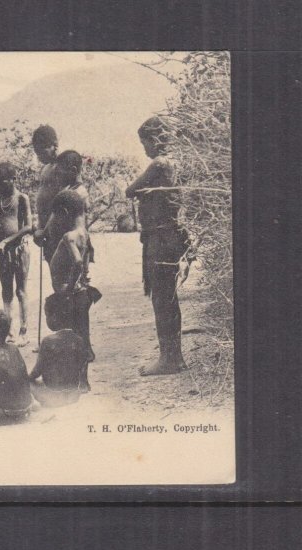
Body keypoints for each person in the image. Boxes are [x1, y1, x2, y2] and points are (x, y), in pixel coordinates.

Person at [126, 116, 190, 376]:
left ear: (155, 140)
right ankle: (173, 356)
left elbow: (130, 190)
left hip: (162, 238)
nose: (145, 149)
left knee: (162, 297)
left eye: (145, 144)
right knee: (167, 297)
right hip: (170, 236)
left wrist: (141, 192)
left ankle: (169, 359)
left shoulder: (160, 164)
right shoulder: (177, 161)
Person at [44, 189, 101, 377]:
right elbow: (87, 260)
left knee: (68, 332)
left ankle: (72, 373)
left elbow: (77, 261)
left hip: (68, 292)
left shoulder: (69, 237)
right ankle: (86, 357)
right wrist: (82, 279)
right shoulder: (84, 233)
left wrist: (69, 286)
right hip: (80, 291)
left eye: (57, 216)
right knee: (82, 328)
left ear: (65, 214)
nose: (56, 221)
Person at [0, 163, 33, 346]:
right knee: (6, 292)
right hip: (1, 252)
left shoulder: (22, 198)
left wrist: (7, 242)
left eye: (2, 182)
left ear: (14, 179)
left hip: (19, 250)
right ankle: (10, 332)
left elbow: (28, 226)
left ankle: (24, 330)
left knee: (21, 291)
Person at [30, 328, 88, 407]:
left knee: (29, 384)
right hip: (73, 395)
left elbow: (36, 372)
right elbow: (82, 367)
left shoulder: (47, 341)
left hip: (52, 395)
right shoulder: (79, 340)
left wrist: (26, 379)